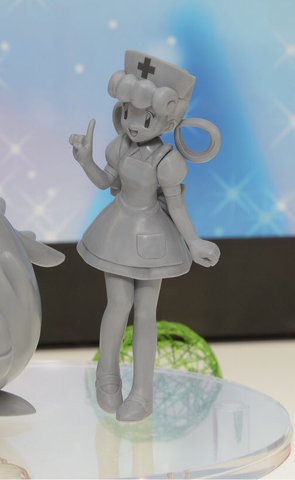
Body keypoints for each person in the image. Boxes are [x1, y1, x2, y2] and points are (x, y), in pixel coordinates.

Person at [69, 51, 221, 421]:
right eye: (128, 113)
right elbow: (106, 182)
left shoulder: (167, 161)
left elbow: (177, 206)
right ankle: (107, 377)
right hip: (118, 230)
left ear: (168, 119)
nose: (134, 124)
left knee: (147, 314)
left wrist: (194, 241)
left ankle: (142, 393)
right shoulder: (120, 146)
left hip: (153, 235)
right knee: (117, 304)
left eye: (146, 117)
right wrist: (86, 161)